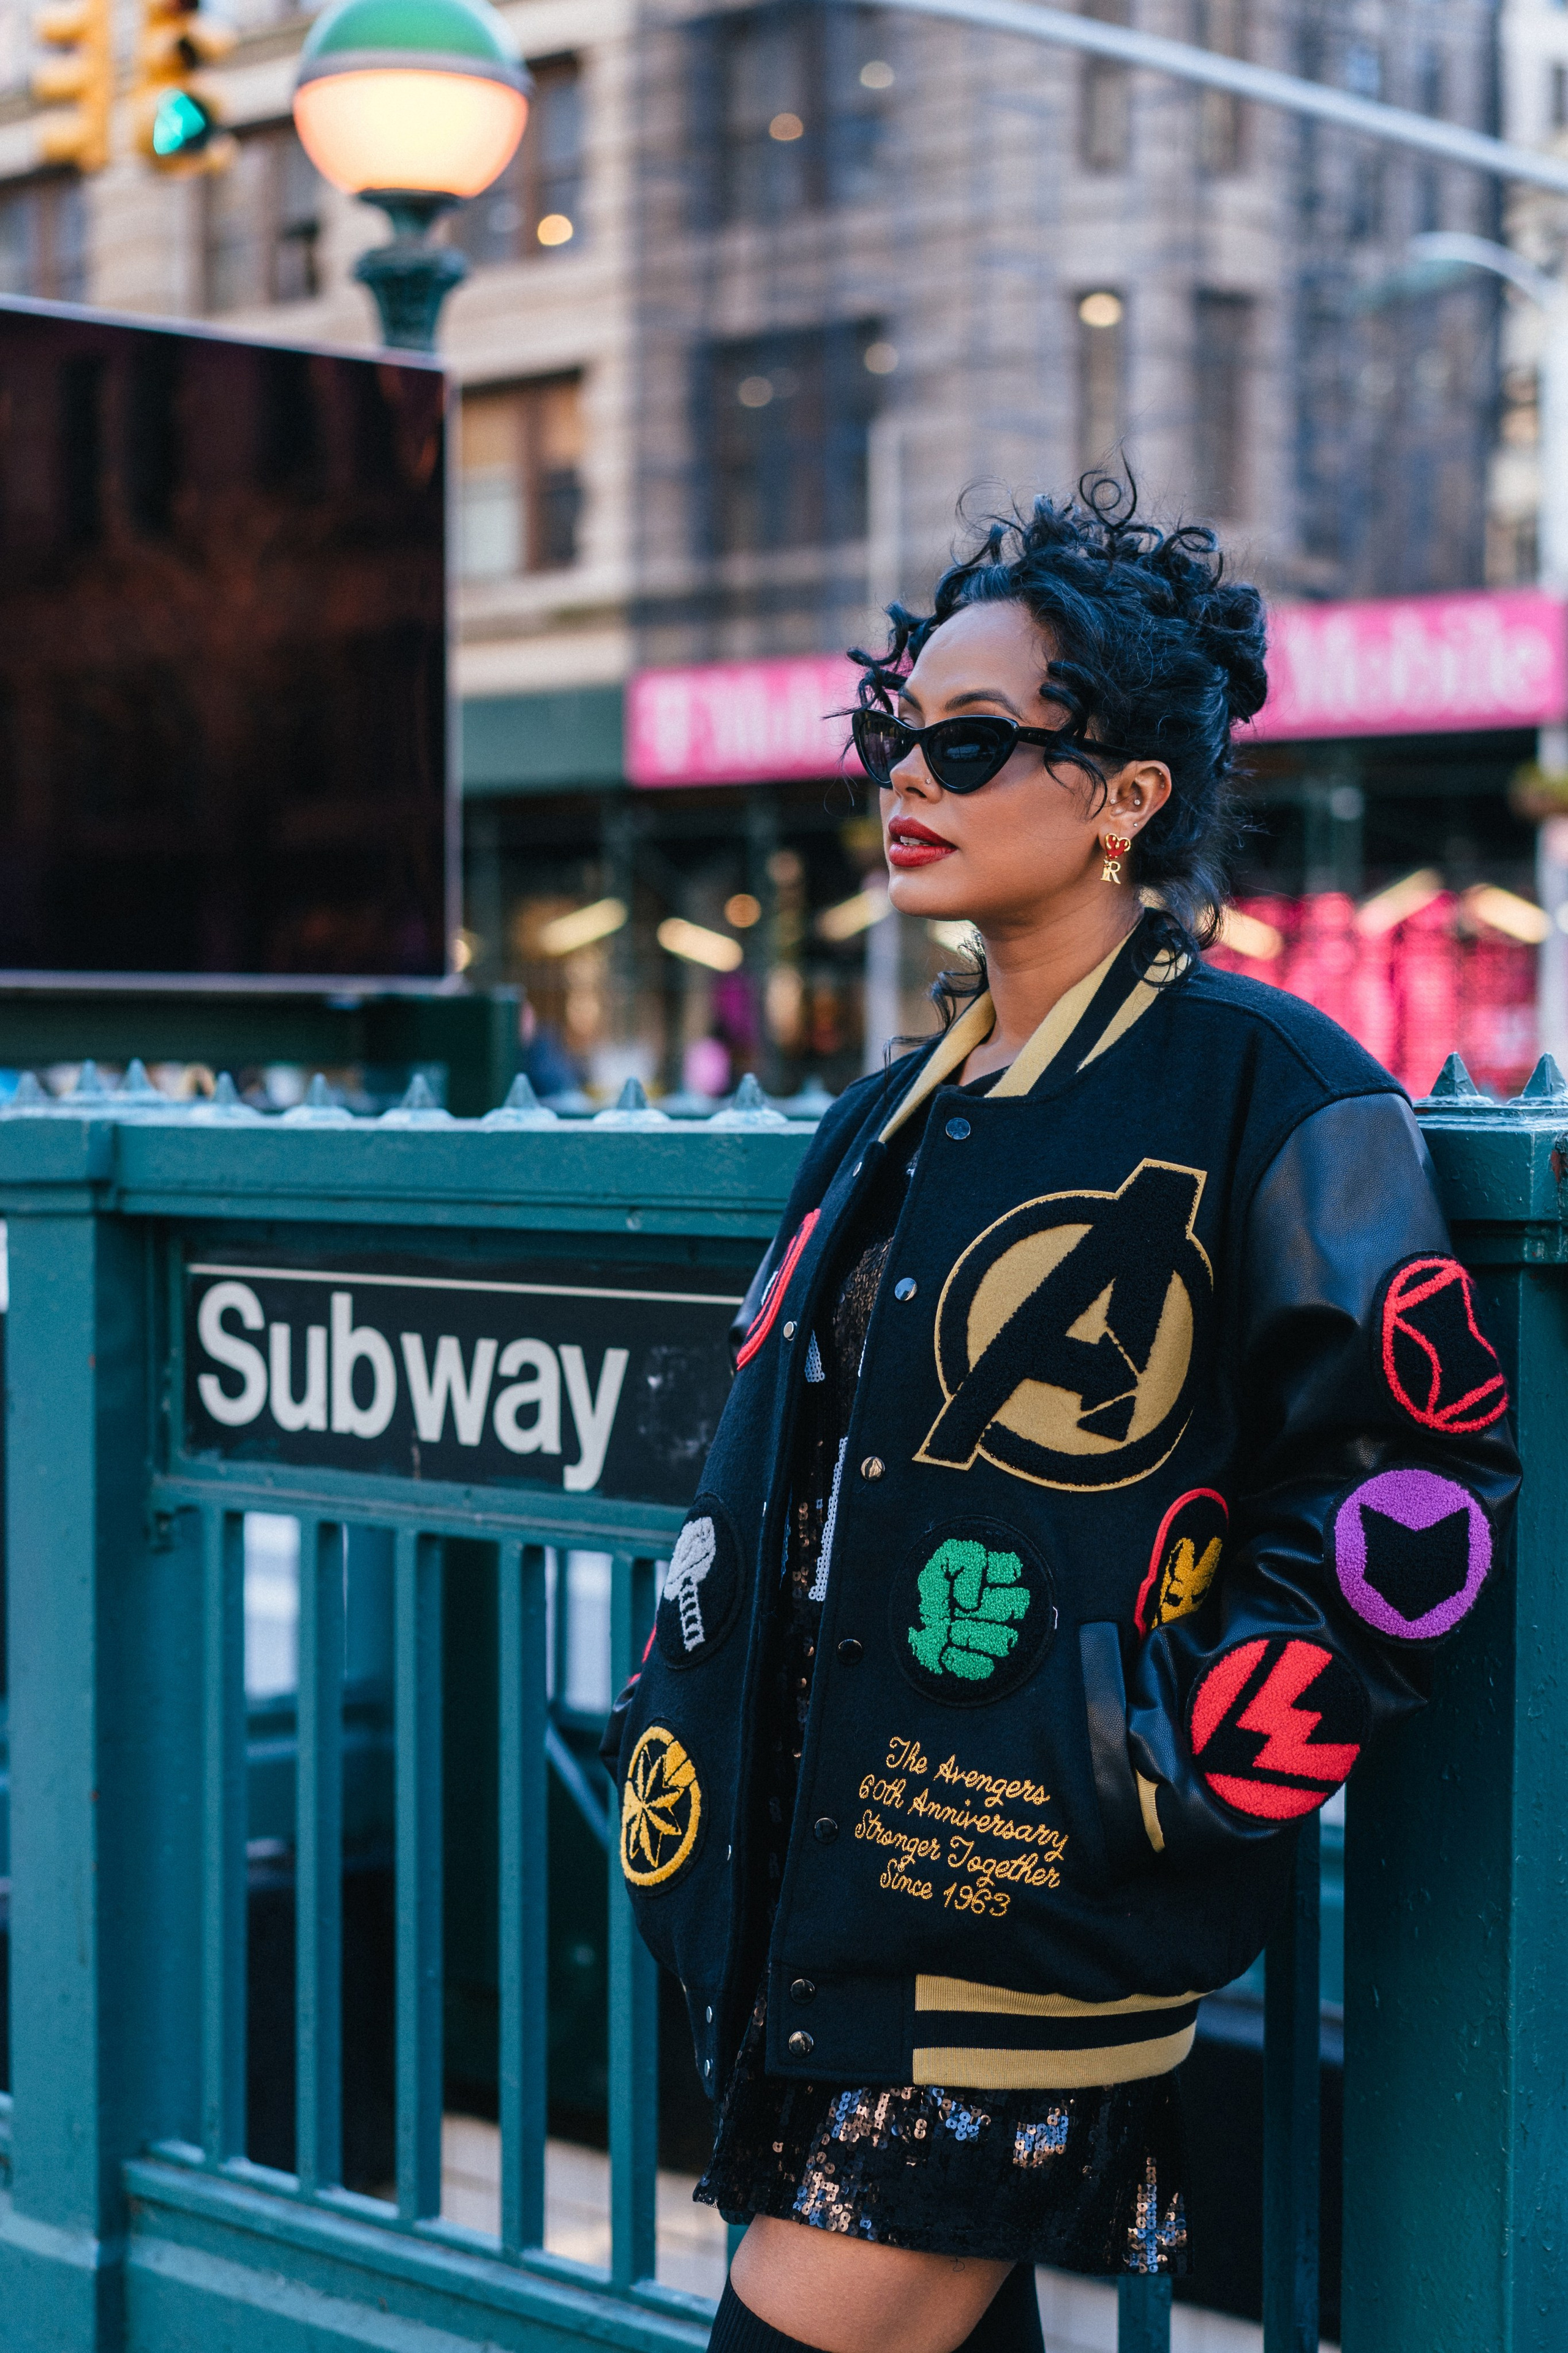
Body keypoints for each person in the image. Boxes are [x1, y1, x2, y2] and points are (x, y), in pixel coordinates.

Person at [602, 485, 1520, 2353]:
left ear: (1129, 796)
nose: (907, 779)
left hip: (1020, 1946)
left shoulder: (1274, 1088)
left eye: (971, 742)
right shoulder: (887, 1115)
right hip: (819, 1921)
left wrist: (1156, 1762)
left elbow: (1414, 1491)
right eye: (897, 733)